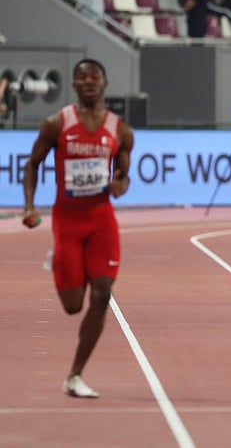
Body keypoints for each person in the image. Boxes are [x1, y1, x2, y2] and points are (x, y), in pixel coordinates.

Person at [21, 59, 135, 398]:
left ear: (104, 83)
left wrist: (119, 185)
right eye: (82, 77)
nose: (88, 81)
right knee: (72, 306)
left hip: (102, 222)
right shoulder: (56, 124)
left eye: (94, 76)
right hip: (67, 222)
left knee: (102, 294)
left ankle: (75, 375)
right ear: (74, 84)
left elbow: (123, 176)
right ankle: (60, 260)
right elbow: (32, 164)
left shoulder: (120, 130)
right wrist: (29, 205)